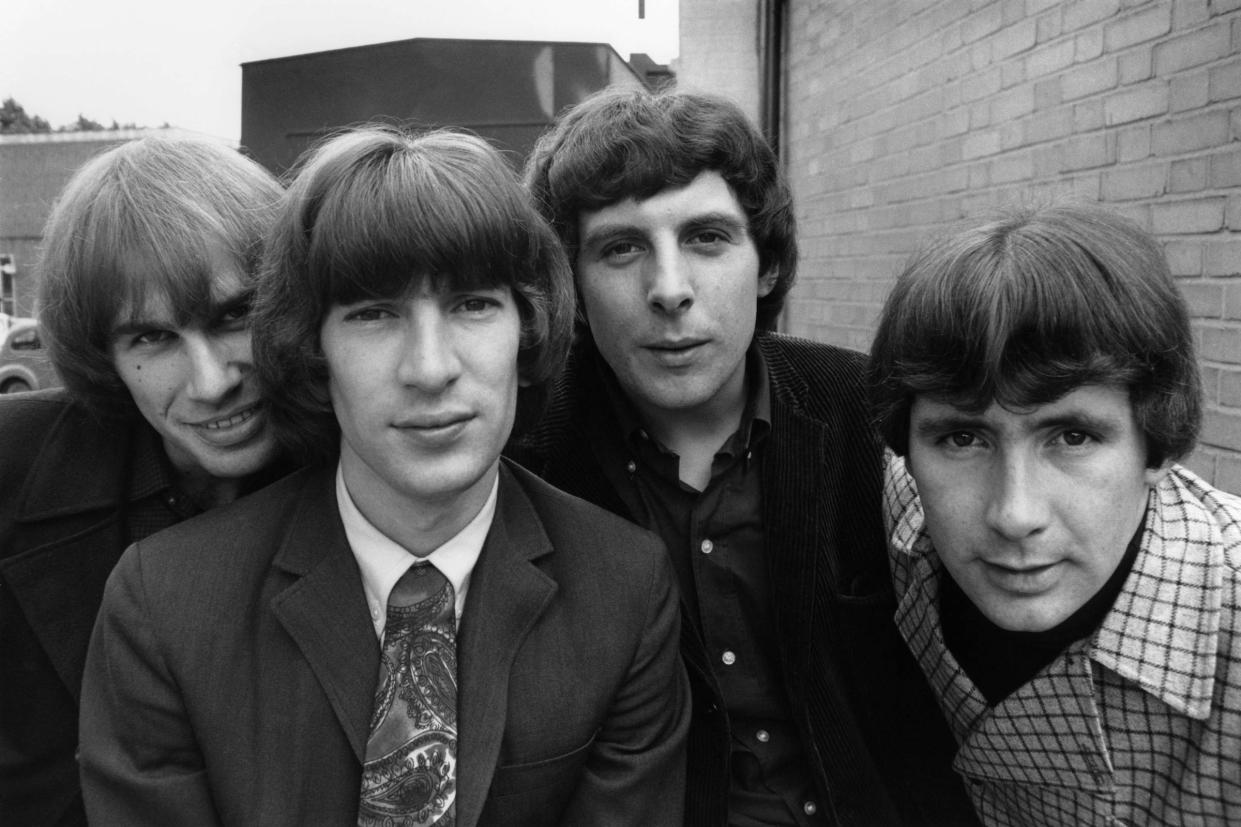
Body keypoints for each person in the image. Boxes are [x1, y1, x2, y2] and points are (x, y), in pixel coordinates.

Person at [79, 126, 690, 826]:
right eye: (374, 314)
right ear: (312, 351)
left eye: (472, 305)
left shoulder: (624, 588)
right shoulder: (164, 604)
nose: (430, 368)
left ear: (527, 329)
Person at [507, 87, 974, 826]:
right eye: (620, 247)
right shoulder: (523, 456)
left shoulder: (868, 412)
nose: (668, 290)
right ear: (571, 283)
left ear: (765, 264)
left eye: (706, 237)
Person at [868, 203, 1241, 824]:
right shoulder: (904, 520)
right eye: (963, 439)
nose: (1014, 515)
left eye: (1071, 437)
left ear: (1158, 441)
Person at [0, 134, 288, 827]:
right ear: (103, 352)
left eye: (232, 316)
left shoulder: (373, 474)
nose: (211, 382)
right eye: (151, 338)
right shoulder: (11, 466)